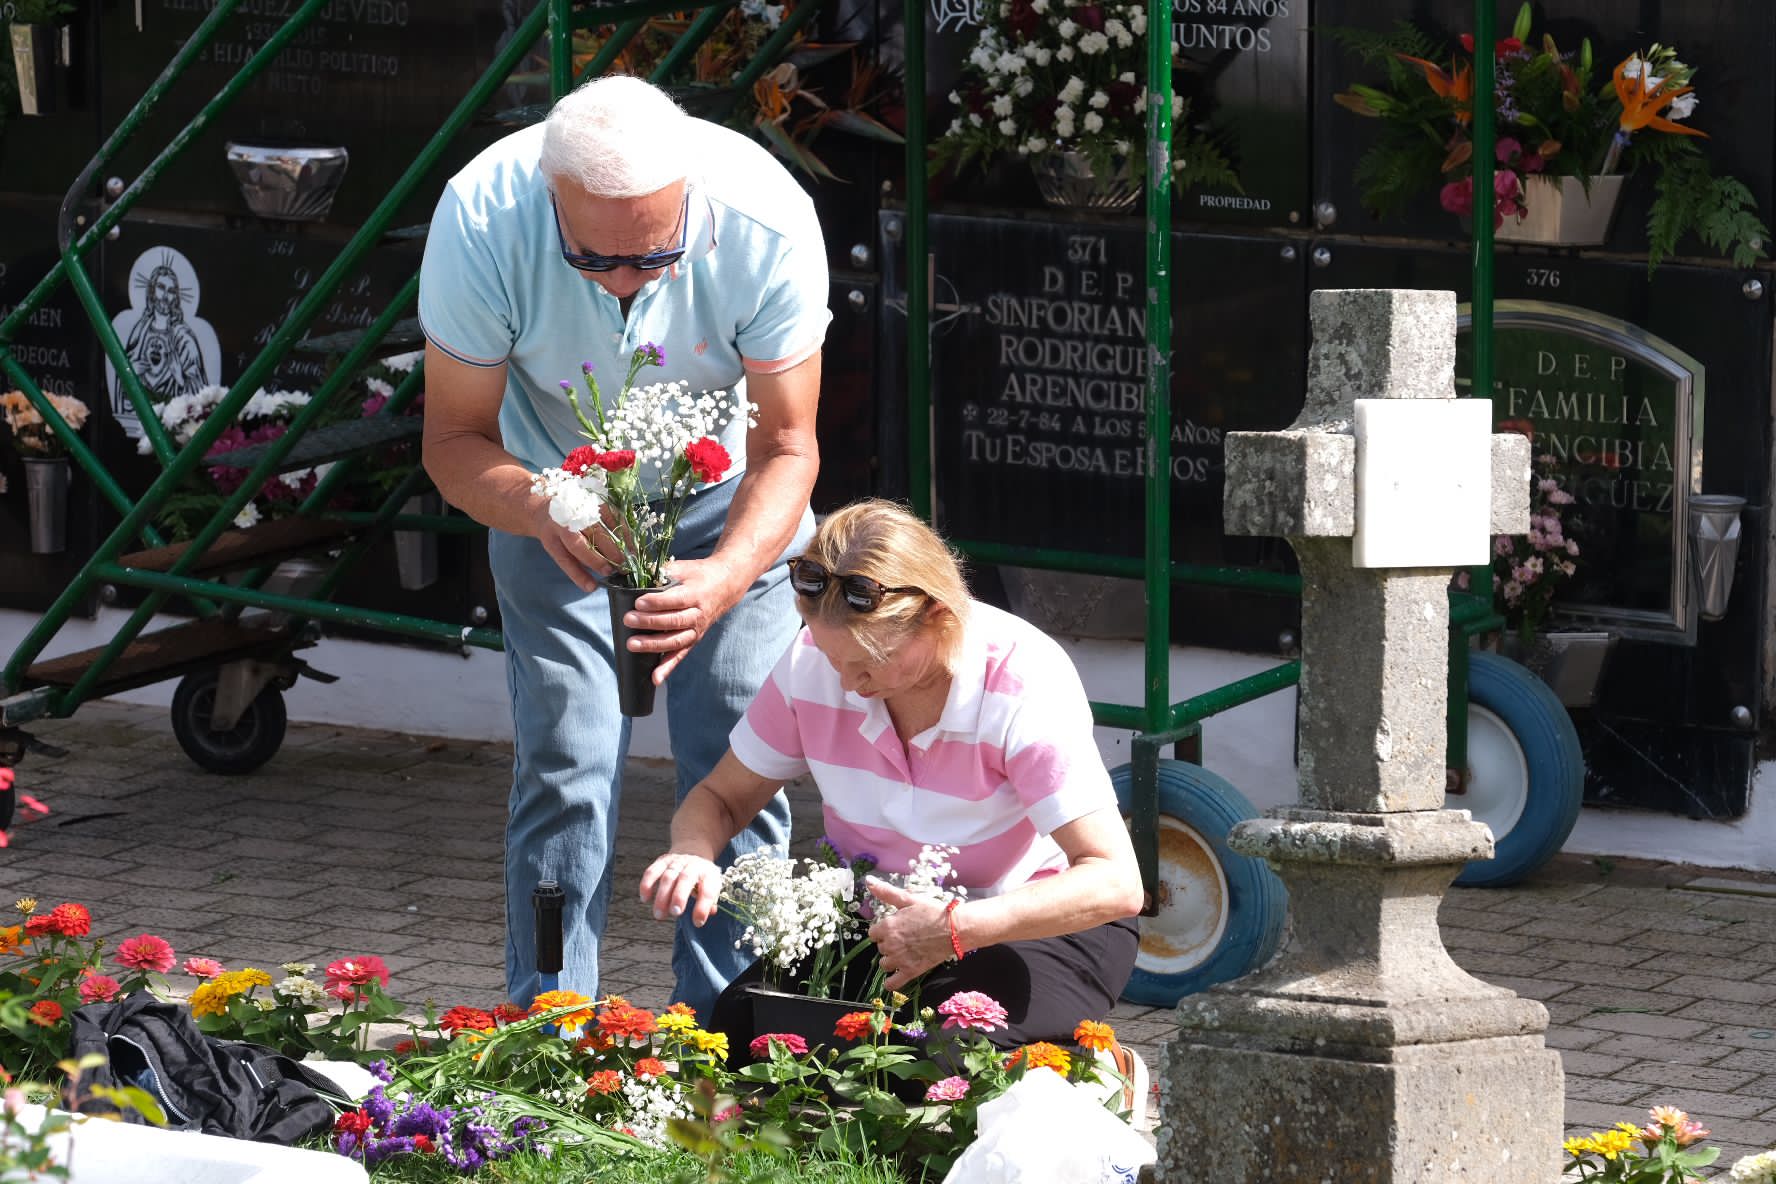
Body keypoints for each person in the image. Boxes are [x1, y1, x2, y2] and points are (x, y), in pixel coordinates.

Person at [418, 74, 829, 1017]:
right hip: (551, 501)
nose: (625, 284)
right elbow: (451, 444)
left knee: (742, 762)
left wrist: (726, 575)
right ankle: (549, 1025)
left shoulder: (767, 217)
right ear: (548, 196)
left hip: (731, 507)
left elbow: (788, 445)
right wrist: (543, 506)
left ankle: (739, 1032)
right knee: (566, 762)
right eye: (592, 261)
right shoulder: (482, 216)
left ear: (689, 194)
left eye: (655, 256)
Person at [639, 500, 1144, 1054]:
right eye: (835, 660)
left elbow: (1116, 884)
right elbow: (720, 797)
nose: (849, 684)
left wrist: (957, 928)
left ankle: (1095, 1075)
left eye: (869, 664)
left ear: (938, 616)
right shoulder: (816, 660)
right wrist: (691, 850)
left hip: (1034, 926)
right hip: (890, 927)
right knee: (741, 1033)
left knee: (936, 1056)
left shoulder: (1021, 679)